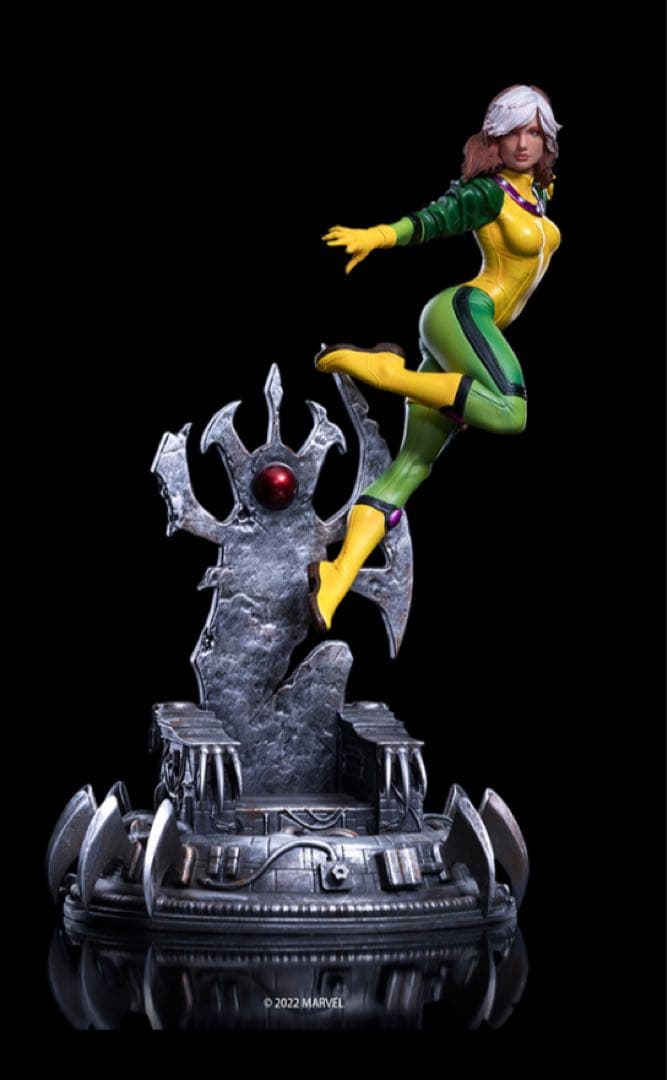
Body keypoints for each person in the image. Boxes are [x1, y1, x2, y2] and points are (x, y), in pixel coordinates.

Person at [308, 84, 562, 633]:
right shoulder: (489, 194)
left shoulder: (539, 193)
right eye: (512, 133)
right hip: (462, 313)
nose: (523, 143)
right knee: (510, 410)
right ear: (495, 139)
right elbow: (437, 218)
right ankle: (386, 373)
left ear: (547, 140)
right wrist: (379, 235)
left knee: (411, 467)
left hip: (467, 338)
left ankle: (335, 578)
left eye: (534, 132)